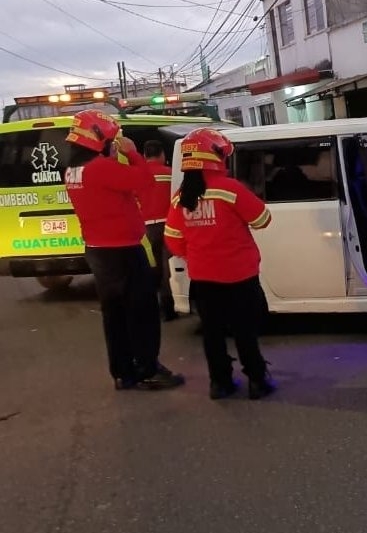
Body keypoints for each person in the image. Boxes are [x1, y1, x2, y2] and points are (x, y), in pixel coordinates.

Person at [63, 110, 185, 391]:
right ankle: (148, 368)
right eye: (108, 139)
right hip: (123, 250)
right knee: (142, 311)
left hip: (98, 251)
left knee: (114, 314)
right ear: (97, 139)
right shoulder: (101, 168)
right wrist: (132, 153)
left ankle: (123, 371)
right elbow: (145, 181)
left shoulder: (73, 171)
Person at [164, 127, 275, 400]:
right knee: (244, 331)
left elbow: (173, 239)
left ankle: (220, 383)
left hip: (203, 277)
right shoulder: (230, 189)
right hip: (239, 275)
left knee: (212, 334)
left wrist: (197, 252)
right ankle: (257, 381)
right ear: (214, 156)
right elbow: (262, 219)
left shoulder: (181, 197)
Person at [138, 140, 177, 321]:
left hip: (146, 229)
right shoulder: (171, 174)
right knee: (168, 268)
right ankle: (169, 307)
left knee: (150, 269)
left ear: (144, 155)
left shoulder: (137, 175)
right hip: (168, 226)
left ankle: (152, 309)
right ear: (162, 154)